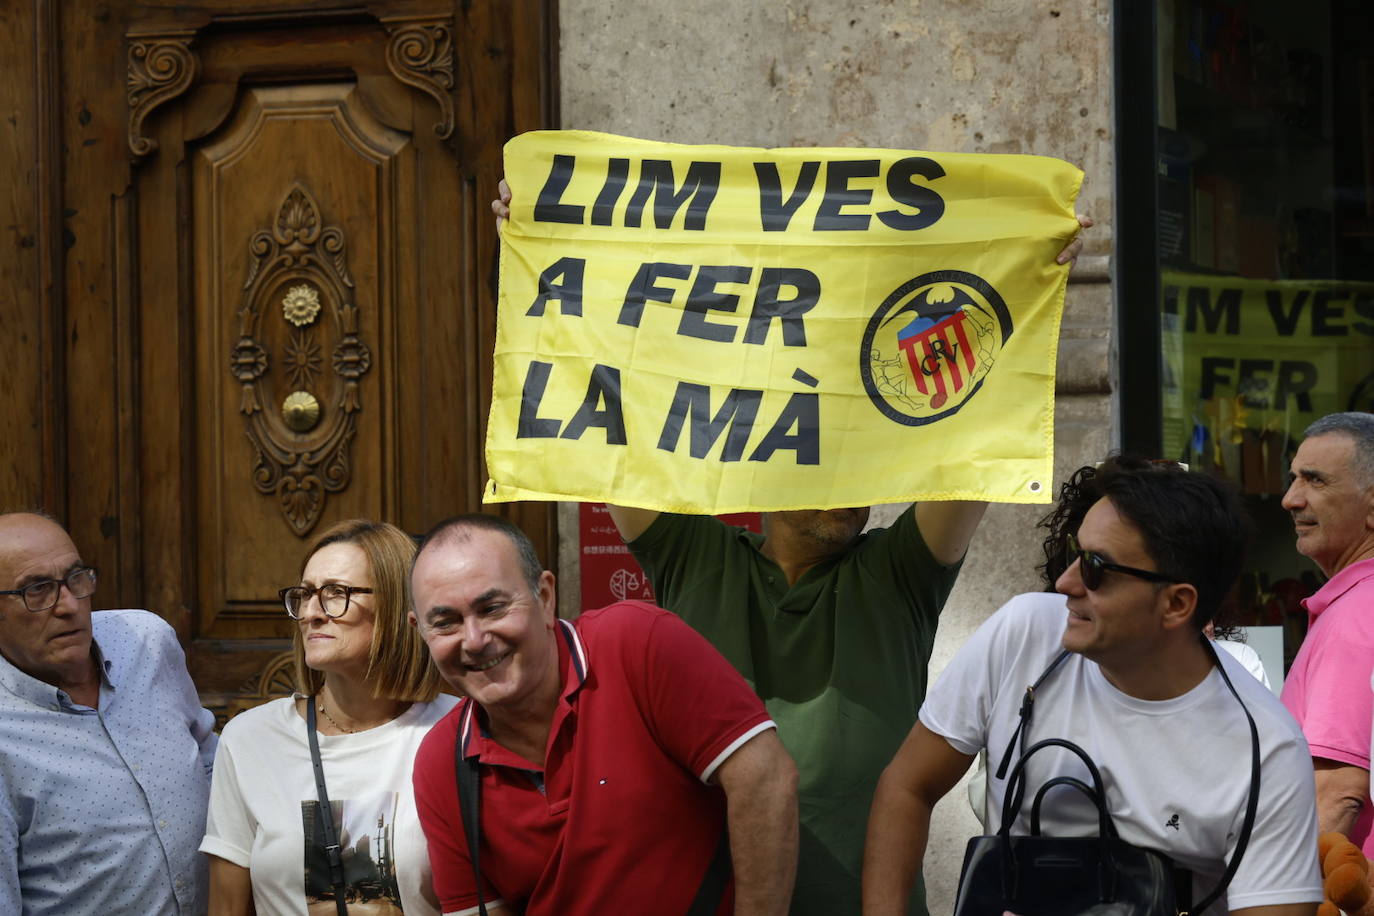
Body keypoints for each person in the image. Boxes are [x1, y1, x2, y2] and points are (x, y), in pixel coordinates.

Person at [492, 178, 1092, 916]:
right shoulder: (693, 555)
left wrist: (1027, 291)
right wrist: (543, 258)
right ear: (766, 468)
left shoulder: (897, 572)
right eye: (827, 459)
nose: (849, 483)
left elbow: (973, 447)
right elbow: (606, 414)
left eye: (863, 463)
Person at [863, 458, 1322, 916]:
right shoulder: (1025, 633)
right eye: (1073, 553)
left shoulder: (1267, 751)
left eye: (1097, 568)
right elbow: (907, 785)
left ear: (1177, 603)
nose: (1065, 583)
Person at [408, 514, 799, 916]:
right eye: (446, 623)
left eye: (492, 608)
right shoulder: (443, 762)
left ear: (544, 597)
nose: (474, 641)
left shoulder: (634, 644)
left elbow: (765, 779)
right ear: (419, 630)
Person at [201, 518, 457, 915]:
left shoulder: (456, 730)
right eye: (305, 594)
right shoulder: (250, 738)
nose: (311, 613)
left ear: (395, 606)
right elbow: (226, 907)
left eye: (336, 593)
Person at [0, 511, 217, 914]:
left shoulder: (145, 640)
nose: (68, 605)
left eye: (76, 578)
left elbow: (207, 760)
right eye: (37, 590)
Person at [1280, 412, 1374, 857]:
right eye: (1294, 478)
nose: (1290, 499)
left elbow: (1335, 795)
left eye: (1314, 481)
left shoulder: (1357, 615)